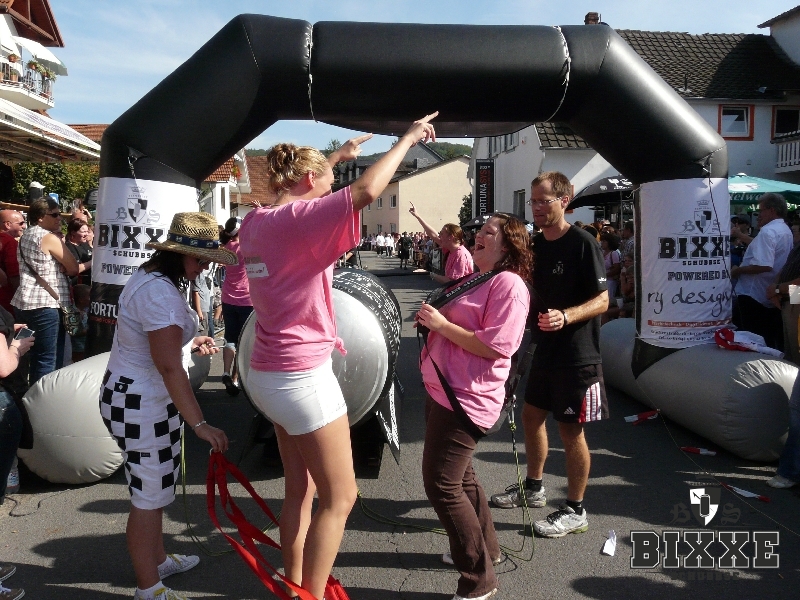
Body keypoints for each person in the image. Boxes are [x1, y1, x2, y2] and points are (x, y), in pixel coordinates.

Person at [239, 113, 436, 600]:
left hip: (266, 373)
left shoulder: (256, 222)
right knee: (341, 497)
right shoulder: (298, 222)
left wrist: (337, 157)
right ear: (309, 179)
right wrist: (408, 139)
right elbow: (365, 191)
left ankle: (293, 585)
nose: (334, 186)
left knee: (300, 490)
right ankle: (309, 595)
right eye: (329, 179)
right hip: (301, 376)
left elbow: (307, 189)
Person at [99, 212, 232, 600]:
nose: (205, 266)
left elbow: (156, 344)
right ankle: (148, 588)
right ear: (181, 254)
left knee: (154, 489)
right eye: (201, 259)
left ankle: (157, 563)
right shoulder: (161, 294)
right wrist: (200, 424)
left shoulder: (152, 278)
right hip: (142, 403)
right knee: (149, 496)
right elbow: (169, 366)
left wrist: (189, 341)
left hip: (137, 397)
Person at [417, 213, 530, 600]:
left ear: (508, 244)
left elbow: (495, 346)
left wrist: (441, 325)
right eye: (479, 230)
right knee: (461, 478)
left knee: (441, 484)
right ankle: (487, 550)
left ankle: (478, 580)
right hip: (446, 389)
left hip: (465, 397)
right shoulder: (480, 278)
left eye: (489, 232)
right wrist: (433, 321)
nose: (479, 235)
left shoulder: (509, 284)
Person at [491, 171, 609, 539]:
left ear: (564, 200)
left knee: (570, 430)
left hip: (577, 354)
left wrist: (566, 316)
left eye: (544, 201)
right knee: (531, 417)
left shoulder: (583, 243)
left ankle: (575, 509)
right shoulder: (535, 245)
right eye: (533, 201)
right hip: (543, 349)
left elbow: (603, 300)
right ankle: (534, 487)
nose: (537, 208)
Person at [11, 198, 78, 385]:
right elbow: (73, 267)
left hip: (24, 303)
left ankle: (25, 393)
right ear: (40, 217)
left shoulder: (26, 235)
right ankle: (41, 398)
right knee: (47, 359)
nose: (59, 219)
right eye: (55, 214)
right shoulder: (48, 237)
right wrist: (64, 266)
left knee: (26, 353)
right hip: (46, 304)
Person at [731, 193, 793, 351]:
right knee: (767, 342)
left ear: (772, 210)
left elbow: (765, 265)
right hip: (769, 296)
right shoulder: (785, 230)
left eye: (761, 211)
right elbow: (764, 249)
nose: (758, 215)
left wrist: (737, 271)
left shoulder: (768, 232)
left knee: (749, 342)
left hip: (754, 296)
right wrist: (741, 235)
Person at [219, 217, 252, 396]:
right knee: (243, 341)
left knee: (230, 337)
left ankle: (225, 372)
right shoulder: (245, 248)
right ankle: (235, 379)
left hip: (227, 298)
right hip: (246, 299)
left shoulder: (225, 248)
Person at [409, 204, 474, 284]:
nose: (439, 236)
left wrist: (430, 274)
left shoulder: (460, 254)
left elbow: (452, 282)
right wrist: (417, 216)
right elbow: (433, 235)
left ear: (450, 237)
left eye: (442, 234)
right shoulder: (452, 249)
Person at [0, 209, 25, 314]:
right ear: (7, 225)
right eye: (21, 223)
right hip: (7, 300)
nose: (24, 226)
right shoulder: (9, 242)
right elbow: (15, 276)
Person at [64, 218, 93, 285]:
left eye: (87, 231)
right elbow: (76, 268)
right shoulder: (69, 247)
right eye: (83, 232)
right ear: (73, 232)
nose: (86, 234)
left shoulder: (84, 244)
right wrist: (93, 262)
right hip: (79, 285)